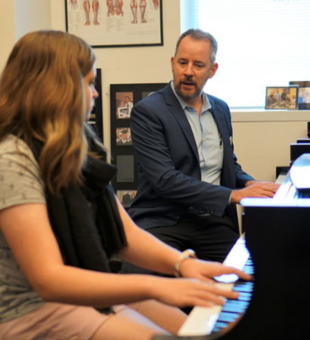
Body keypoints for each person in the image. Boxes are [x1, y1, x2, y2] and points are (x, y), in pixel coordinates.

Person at [0, 30, 251, 340]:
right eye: (89, 83)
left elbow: (124, 233)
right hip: (31, 310)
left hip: (80, 291)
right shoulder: (12, 159)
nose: (94, 94)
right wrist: (158, 285)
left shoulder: (76, 149)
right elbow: (49, 279)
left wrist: (183, 265)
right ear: (57, 87)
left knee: (195, 332)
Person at [122, 29, 279, 275]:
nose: (188, 71)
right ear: (173, 63)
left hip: (214, 223)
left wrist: (251, 182)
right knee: (142, 287)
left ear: (212, 70)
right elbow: (165, 180)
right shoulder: (148, 112)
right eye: (183, 63)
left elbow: (228, 165)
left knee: (254, 275)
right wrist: (234, 195)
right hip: (164, 221)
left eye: (198, 65)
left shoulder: (220, 109)